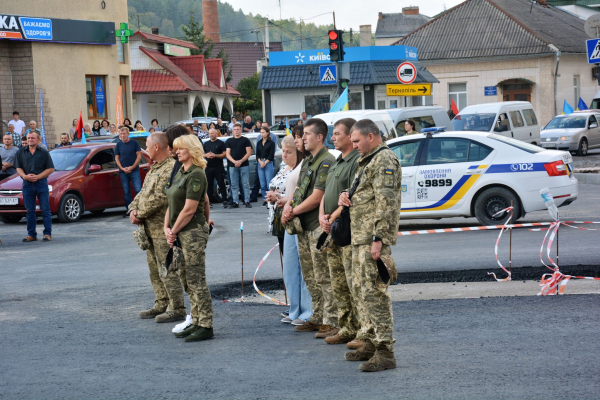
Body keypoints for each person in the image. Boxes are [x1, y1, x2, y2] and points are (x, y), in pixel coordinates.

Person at [339, 118, 402, 372]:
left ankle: (385, 351)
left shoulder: (384, 160)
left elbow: (386, 204)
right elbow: (366, 194)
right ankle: (370, 340)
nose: (354, 146)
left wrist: (379, 239)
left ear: (371, 137)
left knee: (375, 294)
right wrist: (347, 196)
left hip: (371, 240)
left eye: (356, 141)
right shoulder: (368, 160)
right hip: (359, 237)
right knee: (361, 292)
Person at [282, 118, 338, 338]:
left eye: (306, 134)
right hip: (303, 227)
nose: (302, 138)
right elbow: (300, 191)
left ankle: (330, 320)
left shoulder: (326, 161)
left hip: (316, 226)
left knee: (324, 276)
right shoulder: (308, 161)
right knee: (310, 275)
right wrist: (289, 206)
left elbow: (317, 197)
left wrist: (293, 211)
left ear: (319, 137)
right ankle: (317, 315)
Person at [129, 132, 186, 323]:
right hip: (149, 229)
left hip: (163, 228)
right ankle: (162, 302)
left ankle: (177, 307)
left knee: (167, 269)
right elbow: (143, 193)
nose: (145, 149)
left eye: (147, 144)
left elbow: (162, 197)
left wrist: (140, 213)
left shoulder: (170, 168)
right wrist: (133, 209)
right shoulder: (154, 169)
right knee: (154, 270)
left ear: (156, 147)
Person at [317, 118, 362, 347]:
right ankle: (346, 327)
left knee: (351, 282)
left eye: (337, 134)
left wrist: (332, 217)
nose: (332, 138)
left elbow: (350, 196)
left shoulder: (355, 161)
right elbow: (326, 191)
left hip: (344, 229)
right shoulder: (338, 161)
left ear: (350, 136)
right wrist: (322, 215)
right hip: (331, 227)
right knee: (338, 284)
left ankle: (359, 329)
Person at [165, 134, 214, 342]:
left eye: (181, 148)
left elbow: (190, 209)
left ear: (192, 150)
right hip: (180, 231)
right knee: (186, 279)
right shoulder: (181, 172)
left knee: (196, 280)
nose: (177, 152)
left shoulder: (196, 174)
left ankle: (206, 324)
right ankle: (195, 320)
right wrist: (166, 227)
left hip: (191, 232)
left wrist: (173, 230)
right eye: (176, 148)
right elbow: (172, 202)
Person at [265, 131, 312, 325]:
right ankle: (296, 309)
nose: (302, 139)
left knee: (303, 269)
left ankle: (306, 311)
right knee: (291, 268)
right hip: (285, 219)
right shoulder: (295, 166)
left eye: (303, 136)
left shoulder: (310, 163)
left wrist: (287, 204)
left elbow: (310, 194)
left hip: (297, 218)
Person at [14, 130, 54, 242]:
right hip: (27, 184)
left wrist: (39, 176)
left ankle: (47, 233)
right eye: (28, 138)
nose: (30, 140)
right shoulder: (21, 152)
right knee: (30, 211)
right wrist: (25, 176)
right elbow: (18, 167)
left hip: (41, 184)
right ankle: (31, 234)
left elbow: (50, 169)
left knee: (45, 210)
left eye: (32, 138)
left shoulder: (44, 152)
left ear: (38, 139)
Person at [115, 126, 142, 216]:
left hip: (134, 170)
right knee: (126, 192)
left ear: (128, 134)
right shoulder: (118, 145)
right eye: (121, 134)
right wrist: (122, 168)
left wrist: (132, 167)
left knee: (138, 189)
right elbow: (117, 158)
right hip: (123, 172)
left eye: (124, 134)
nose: (122, 135)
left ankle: (140, 209)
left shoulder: (134, 143)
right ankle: (129, 210)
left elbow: (139, 156)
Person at [225, 123, 252, 208]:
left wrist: (240, 161)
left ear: (241, 130)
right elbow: (227, 154)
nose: (236, 131)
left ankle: (247, 200)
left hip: (244, 165)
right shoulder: (229, 141)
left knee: (245, 184)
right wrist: (234, 162)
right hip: (232, 166)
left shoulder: (246, 140)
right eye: (235, 129)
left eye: (238, 129)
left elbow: (248, 153)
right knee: (234, 184)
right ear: (232, 131)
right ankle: (235, 202)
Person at [203, 128, 227, 206]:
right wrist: (206, 155)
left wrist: (215, 155)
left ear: (216, 134)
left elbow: (224, 154)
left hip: (218, 167)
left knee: (221, 184)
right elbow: (201, 154)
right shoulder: (206, 144)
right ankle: (209, 202)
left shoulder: (221, 143)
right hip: (208, 167)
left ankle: (225, 200)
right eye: (209, 133)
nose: (211, 135)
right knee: (208, 185)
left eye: (212, 133)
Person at [256, 126, 275, 207]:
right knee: (262, 184)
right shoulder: (259, 143)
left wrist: (265, 163)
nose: (262, 134)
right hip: (260, 163)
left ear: (267, 133)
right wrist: (260, 162)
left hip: (268, 163)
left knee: (268, 184)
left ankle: (270, 199)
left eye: (263, 132)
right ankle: (265, 199)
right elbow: (257, 154)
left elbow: (271, 155)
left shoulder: (271, 143)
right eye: (261, 132)